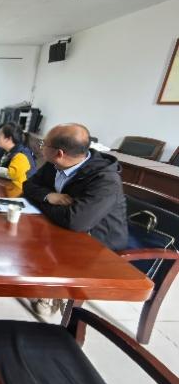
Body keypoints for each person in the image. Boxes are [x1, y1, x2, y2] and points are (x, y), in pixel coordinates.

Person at [22, 123, 128, 316]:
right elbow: (28, 186)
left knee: (37, 240)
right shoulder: (55, 164)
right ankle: (40, 279)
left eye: (43, 144)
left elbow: (75, 221)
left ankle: (53, 291)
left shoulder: (105, 180)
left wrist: (42, 201)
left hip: (98, 241)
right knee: (24, 234)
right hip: (67, 226)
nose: (40, 147)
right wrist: (49, 196)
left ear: (59, 153)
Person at [0, 122, 36, 191]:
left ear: (8, 139)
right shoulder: (2, 149)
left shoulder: (22, 155)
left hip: (18, 191)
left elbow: (11, 174)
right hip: (4, 186)